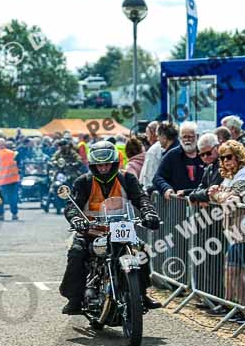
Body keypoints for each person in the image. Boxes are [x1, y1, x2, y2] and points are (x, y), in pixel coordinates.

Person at [60, 141, 161, 314]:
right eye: (99, 165)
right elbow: (72, 205)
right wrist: (76, 219)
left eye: (107, 164)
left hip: (121, 229)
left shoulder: (127, 178)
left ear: (114, 164)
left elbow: (141, 198)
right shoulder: (83, 182)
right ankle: (75, 298)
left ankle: (141, 294)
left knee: (142, 250)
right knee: (76, 252)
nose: (103, 168)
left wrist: (149, 212)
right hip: (91, 231)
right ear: (93, 165)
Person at [207, 140, 245, 310]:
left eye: (229, 157)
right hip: (234, 232)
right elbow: (221, 197)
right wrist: (218, 195)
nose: (225, 161)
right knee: (231, 270)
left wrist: (217, 195)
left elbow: (231, 201)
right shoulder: (232, 174)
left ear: (238, 156)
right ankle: (239, 307)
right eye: (222, 158)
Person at [153, 121, 203, 197]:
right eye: (184, 137)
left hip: (200, 201)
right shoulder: (172, 155)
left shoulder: (205, 154)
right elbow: (158, 177)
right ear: (180, 138)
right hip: (177, 201)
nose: (187, 140)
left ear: (197, 137)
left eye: (190, 137)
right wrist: (166, 188)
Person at [139, 121, 178, 191]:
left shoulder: (170, 155)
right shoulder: (175, 151)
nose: (157, 139)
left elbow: (152, 178)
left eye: (158, 136)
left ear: (164, 137)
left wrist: (149, 190)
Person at [188, 133, 223, 204]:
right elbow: (201, 188)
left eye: (208, 153)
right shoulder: (209, 167)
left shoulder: (224, 165)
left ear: (217, 147)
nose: (205, 157)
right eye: (202, 155)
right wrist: (196, 195)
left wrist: (196, 196)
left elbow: (210, 191)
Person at [0, 139, 21, 221]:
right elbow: (19, 165)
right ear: (5, 144)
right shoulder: (13, 153)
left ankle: (1, 215)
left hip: (1, 181)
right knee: (13, 198)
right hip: (13, 179)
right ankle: (14, 214)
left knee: (1, 198)